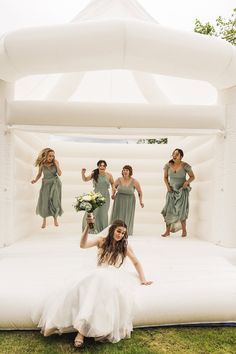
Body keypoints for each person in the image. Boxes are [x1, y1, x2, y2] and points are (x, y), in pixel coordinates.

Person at [38, 217, 152, 347]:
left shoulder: (124, 246)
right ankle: (57, 323)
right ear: (112, 229)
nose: (120, 235)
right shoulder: (100, 241)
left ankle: (81, 333)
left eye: (123, 233)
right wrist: (87, 227)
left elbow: (136, 262)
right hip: (98, 273)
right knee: (82, 287)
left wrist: (143, 279)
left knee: (99, 285)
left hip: (113, 276)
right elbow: (82, 245)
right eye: (118, 231)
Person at [161, 148, 195, 237]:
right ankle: (167, 231)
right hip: (171, 190)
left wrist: (187, 182)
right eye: (173, 154)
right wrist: (168, 187)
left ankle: (184, 231)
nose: (174, 156)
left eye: (176, 154)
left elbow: (192, 176)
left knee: (182, 210)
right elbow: (165, 177)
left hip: (182, 191)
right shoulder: (168, 165)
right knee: (169, 209)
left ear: (181, 156)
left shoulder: (185, 165)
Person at [31, 148, 63, 228]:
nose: (51, 157)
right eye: (49, 156)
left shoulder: (56, 162)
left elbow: (59, 173)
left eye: (53, 156)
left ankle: (55, 219)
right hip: (45, 184)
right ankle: (44, 220)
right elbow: (39, 174)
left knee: (55, 200)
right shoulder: (42, 164)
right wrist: (35, 180)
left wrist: (56, 164)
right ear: (45, 156)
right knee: (45, 201)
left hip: (55, 183)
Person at [81, 160, 115, 233]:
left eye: (103, 165)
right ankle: (91, 228)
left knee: (103, 212)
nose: (102, 167)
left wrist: (113, 190)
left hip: (105, 195)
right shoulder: (94, 174)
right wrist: (83, 173)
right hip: (96, 195)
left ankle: (103, 229)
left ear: (105, 167)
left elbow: (112, 183)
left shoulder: (109, 175)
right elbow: (85, 179)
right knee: (94, 211)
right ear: (98, 166)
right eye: (100, 165)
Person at [110, 165, 144, 235]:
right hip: (119, 200)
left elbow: (140, 192)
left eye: (127, 170)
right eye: (124, 170)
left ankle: (125, 231)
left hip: (129, 201)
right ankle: (115, 230)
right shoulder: (118, 179)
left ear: (130, 172)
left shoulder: (134, 181)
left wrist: (141, 201)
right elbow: (113, 187)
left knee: (127, 215)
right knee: (117, 215)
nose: (125, 171)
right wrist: (113, 194)